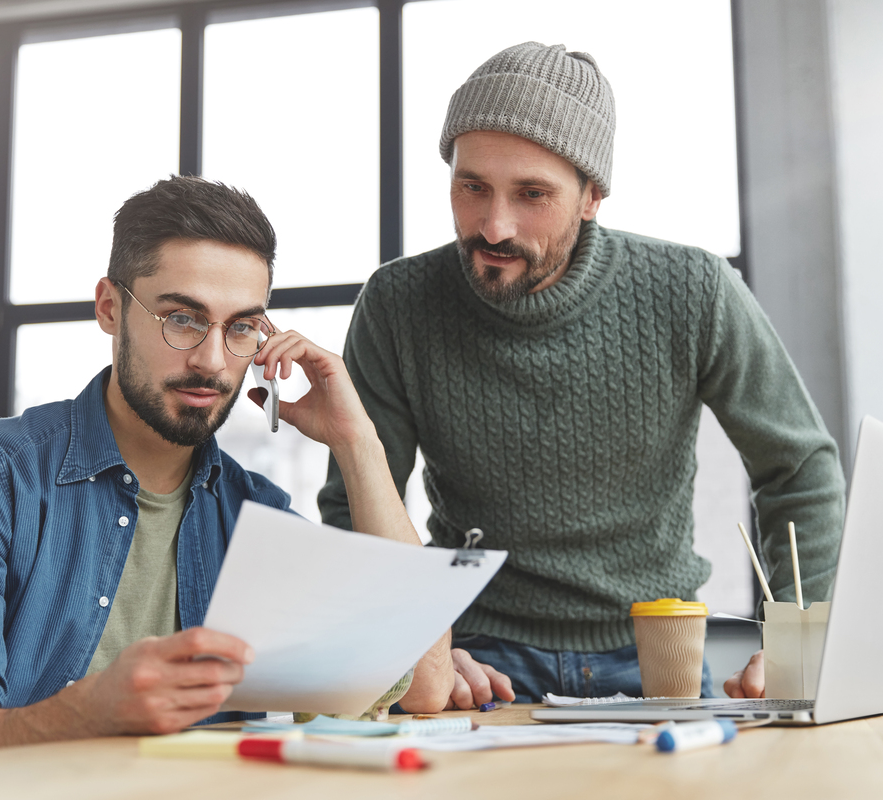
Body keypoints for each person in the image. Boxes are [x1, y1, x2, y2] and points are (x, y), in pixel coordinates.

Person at [318, 42, 845, 707]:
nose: (493, 224)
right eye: (471, 185)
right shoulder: (397, 305)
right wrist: (423, 646)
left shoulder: (693, 289)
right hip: (479, 661)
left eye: (531, 194)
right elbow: (356, 502)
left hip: (658, 650)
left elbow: (797, 469)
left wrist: (801, 640)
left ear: (592, 195)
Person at [0, 176, 453, 759]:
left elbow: (424, 685)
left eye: (242, 328)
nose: (211, 361)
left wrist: (358, 443)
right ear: (109, 307)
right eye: (182, 318)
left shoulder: (257, 516)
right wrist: (93, 711)